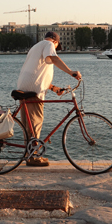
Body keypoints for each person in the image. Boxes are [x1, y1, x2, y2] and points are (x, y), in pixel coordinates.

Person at [16, 31, 81, 166]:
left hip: (24, 87)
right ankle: (33, 157)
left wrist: (54, 88)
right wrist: (71, 72)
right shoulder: (49, 44)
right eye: (57, 48)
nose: (56, 50)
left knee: (28, 126)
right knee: (35, 123)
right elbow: (55, 59)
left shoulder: (36, 46)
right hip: (33, 91)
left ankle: (30, 154)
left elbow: (38, 74)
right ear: (55, 41)